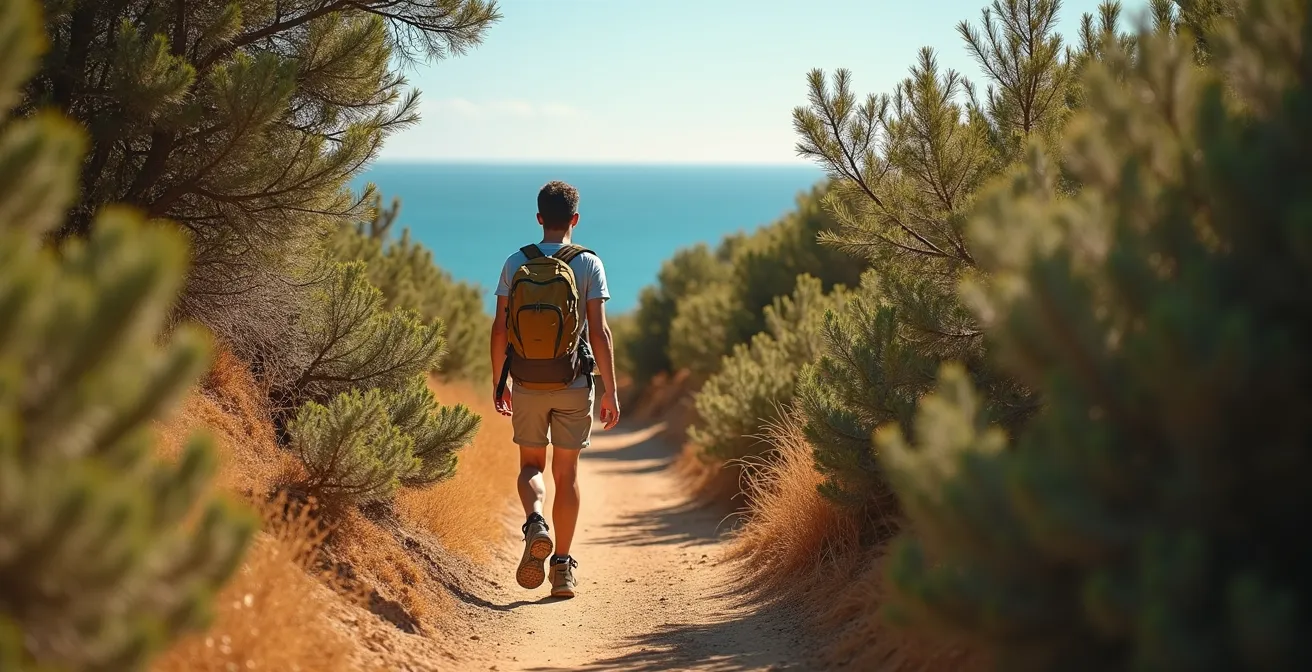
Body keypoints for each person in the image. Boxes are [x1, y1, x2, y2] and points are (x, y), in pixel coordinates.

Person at [490, 180, 621, 599]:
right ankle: (561, 569)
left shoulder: (516, 262)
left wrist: (500, 381)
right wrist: (610, 390)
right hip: (573, 381)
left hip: (527, 380)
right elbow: (599, 332)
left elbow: (498, 329)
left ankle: (535, 522)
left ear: (540, 218)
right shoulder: (589, 264)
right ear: (575, 220)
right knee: (567, 476)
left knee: (531, 466)